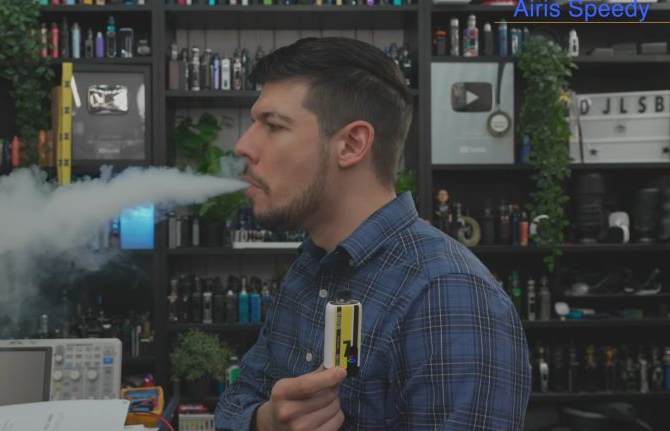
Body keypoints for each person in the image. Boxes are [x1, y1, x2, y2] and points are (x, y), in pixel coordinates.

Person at [214, 37, 530, 431]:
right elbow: (237, 400)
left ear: (352, 144)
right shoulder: (310, 266)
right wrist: (265, 421)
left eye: (274, 125)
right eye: (254, 123)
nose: (243, 145)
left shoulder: (448, 294)